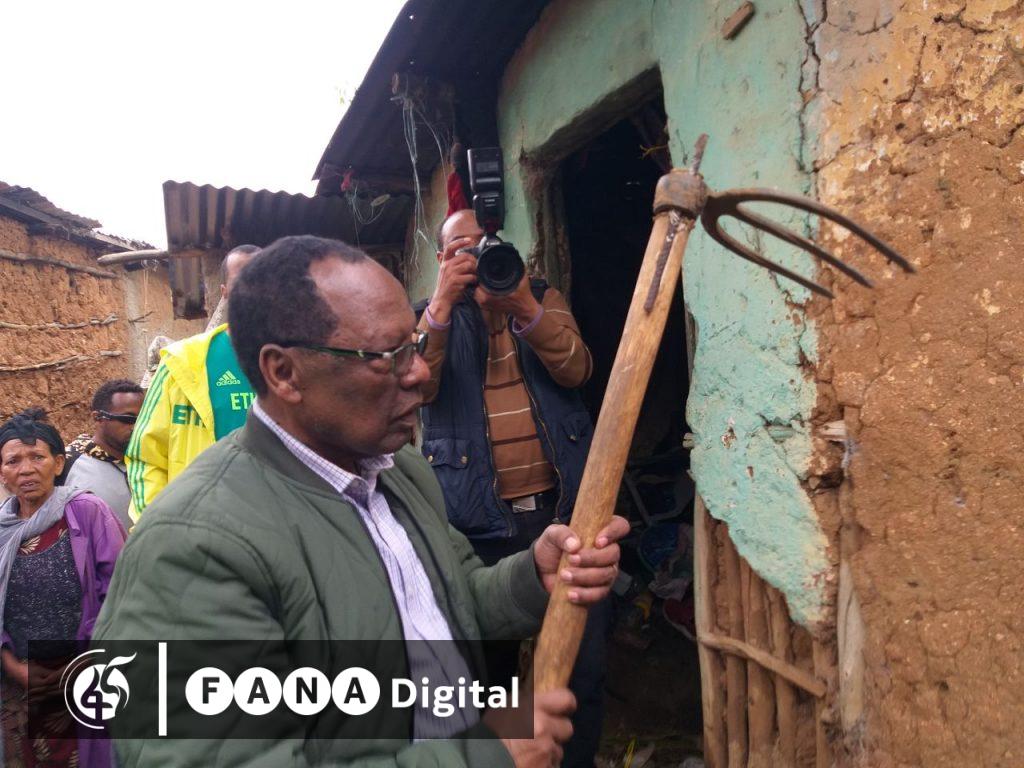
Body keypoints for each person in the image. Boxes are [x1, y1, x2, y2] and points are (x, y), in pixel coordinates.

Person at [93, 235, 629, 767]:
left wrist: (531, 578)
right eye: (387, 356)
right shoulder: (193, 547)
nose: (420, 372)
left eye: (414, 346)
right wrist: (484, 757)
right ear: (284, 373)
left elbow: (452, 599)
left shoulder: (400, 470)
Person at [416, 208, 606, 767]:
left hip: (561, 513)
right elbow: (416, 387)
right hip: (478, 524)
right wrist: (442, 305)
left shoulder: (540, 297)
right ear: (442, 260)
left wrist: (523, 305)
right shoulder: (430, 317)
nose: (477, 257)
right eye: (461, 249)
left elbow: (577, 370)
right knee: (486, 673)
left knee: (581, 665)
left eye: (485, 244)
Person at [0, 408, 126, 768]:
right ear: (2, 472)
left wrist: (82, 664)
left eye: (37, 457)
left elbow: (121, 594)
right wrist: (12, 666)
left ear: (58, 464)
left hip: (87, 674)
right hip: (19, 683)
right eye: (13, 461)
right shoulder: (2, 530)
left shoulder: (88, 512)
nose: (26, 469)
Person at [125, 244, 259, 519]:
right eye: (244, 281)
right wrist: (157, 530)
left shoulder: (302, 364)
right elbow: (145, 458)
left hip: (275, 530)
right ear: (224, 292)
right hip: (198, 530)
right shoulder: (182, 363)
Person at [63, 379, 144, 530]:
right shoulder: (66, 464)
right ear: (98, 417)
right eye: (128, 419)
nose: (138, 427)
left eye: (144, 419)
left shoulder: (151, 460)